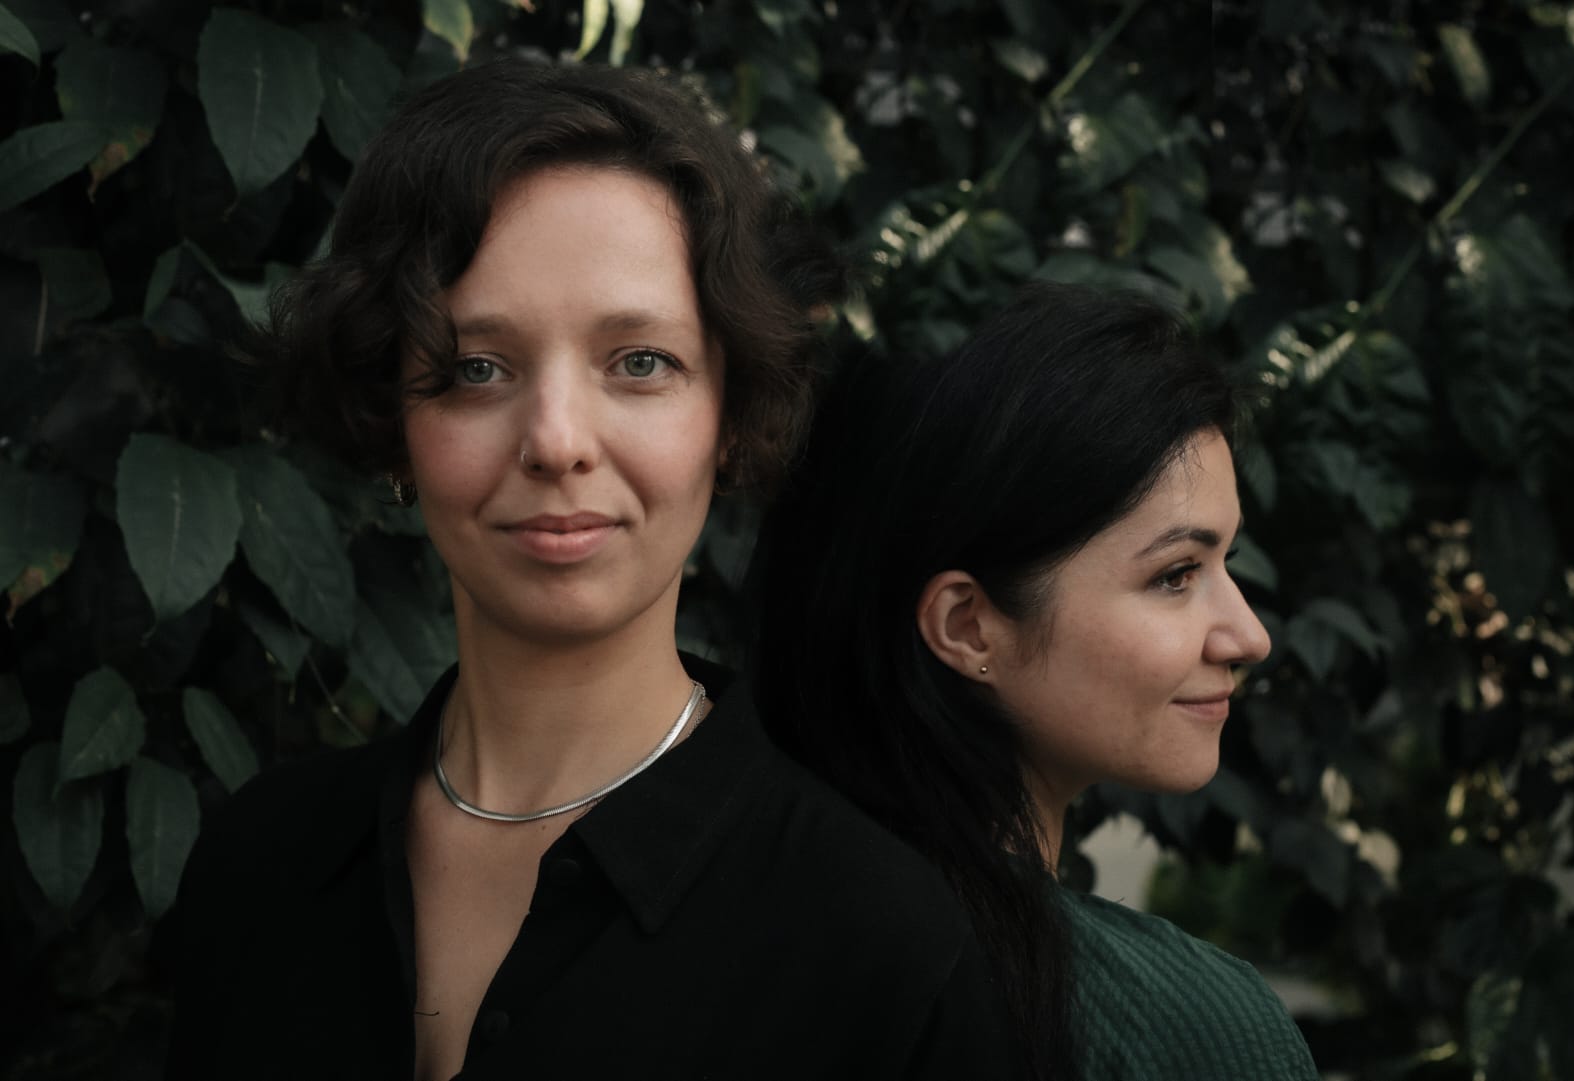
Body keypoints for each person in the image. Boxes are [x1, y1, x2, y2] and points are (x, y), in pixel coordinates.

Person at [165, 60, 1016, 1081]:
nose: (558, 441)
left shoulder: (886, 946)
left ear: (730, 417)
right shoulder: (257, 863)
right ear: (394, 425)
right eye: (477, 368)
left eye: (639, 362)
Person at [755, 283, 1321, 1081]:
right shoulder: (1186, 1033)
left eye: (1224, 562)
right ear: (967, 626)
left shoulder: (724, 939)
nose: (1249, 636)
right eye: (1175, 575)